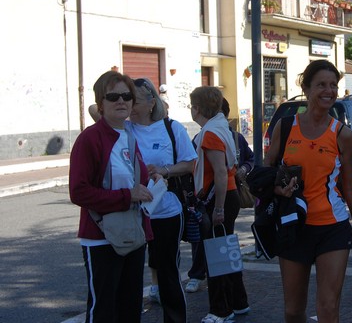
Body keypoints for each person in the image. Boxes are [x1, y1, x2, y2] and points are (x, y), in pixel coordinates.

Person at [264, 59, 352, 323]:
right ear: (306, 88)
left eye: (333, 85)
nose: (329, 91)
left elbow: (349, 183)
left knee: (328, 308)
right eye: (321, 84)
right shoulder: (285, 127)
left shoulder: (341, 134)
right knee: (294, 311)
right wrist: (277, 187)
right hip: (293, 226)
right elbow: (267, 173)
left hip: (332, 227)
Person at [69, 71, 156, 323]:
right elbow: (79, 191)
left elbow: (132, 182)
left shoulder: (129, 136)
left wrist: (150, 180)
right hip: (101, 237)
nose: (121, 101)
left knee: (130, 307)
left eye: (127, 96)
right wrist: (127, 195)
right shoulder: (90, 139)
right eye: (113, 96)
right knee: (104, 309)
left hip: (133, 233)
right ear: (101, 102)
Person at [129, 78, 196, 323]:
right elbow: (96, 110)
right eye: (125, 99)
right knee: (132, 274)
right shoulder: (124, 129)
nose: (129, 106)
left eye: (134, 100)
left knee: (167, 271)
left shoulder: (171, 128)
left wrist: (164, 170)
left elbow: (190, 164)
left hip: (166, 211)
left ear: (151, 102)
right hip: (133, 212)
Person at [190, 86, 249, 323]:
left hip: (218, 198)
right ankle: (239, 302)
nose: (190, 109)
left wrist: (218, 209)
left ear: (198, 108)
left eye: (191, 105)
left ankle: (221, 310)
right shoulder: (220, 126)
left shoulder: (210, 133)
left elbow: (221, 173)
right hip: (226, 197)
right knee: (226, 252)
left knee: (216, 257)